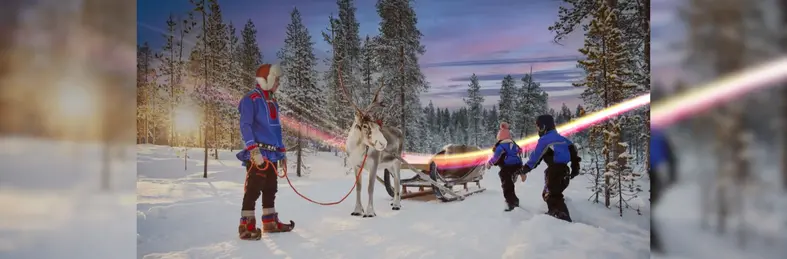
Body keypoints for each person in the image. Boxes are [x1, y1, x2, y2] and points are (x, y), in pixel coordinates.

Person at [235, 63, 294, 240]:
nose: (278, 83)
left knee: (270, 188)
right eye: (276, 80)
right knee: (254, 188)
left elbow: (276, 129)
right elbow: (245, 125)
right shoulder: (250, 99)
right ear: (267, 79)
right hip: (258, 153)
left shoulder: (272, 101)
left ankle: (269, 221)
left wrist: (282, 152)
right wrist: (253, 150)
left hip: (272, 153)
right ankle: (246, 225)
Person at [516, 115, 581, 222]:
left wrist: (525, 169)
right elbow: (574, 154)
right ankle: (555, 214)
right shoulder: (564, 140)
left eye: (538, 127)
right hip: (564, 171)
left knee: (552, 195)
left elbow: (536, 157)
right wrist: (575, 168)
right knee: (550, 194)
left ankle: (562, 219)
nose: (538, 130)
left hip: (555, 172)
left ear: (544, 127)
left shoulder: (545, 140)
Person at [649, 128, 677, 253]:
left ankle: (654, 243)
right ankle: (654, 243)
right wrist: (672, 176)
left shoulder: (659, 136)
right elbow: (672, 158)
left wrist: (672, 176)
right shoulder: (659, 136)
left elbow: (671, 158)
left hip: (654, 175)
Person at [487, 122, 524, 211]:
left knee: (506, 182)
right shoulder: (513, 144)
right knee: (509, 181)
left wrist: (490, 163)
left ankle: (511, 202)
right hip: (517, 165)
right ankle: (514, 199)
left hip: (508, 166)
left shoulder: (501, 146)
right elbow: (520, 150)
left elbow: (496, 157)